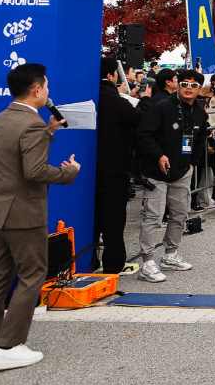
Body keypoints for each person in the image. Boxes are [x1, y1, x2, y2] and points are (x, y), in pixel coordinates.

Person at [0, 63, 79, 371]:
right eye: (46, 87)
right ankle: (8, 346)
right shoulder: (30, 124)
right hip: (23, 212)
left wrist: (48, 133)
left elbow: (14, 157)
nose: (47, 92)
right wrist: (69, 173)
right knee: (32, 274)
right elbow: (34, 171)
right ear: (37, 90)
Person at [134, 68, 208, 283]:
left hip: (183, 171)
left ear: (200, 89)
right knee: (154, 217)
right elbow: (143, 134)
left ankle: (170, 255)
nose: (188, 88)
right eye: (184, 83)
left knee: (180, 214)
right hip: (156, 172)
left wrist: (193, 163)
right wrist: (158, 155)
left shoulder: (201, 112)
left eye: (194, 85)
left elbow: (201, 139)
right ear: (177, 85)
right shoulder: (163, 107)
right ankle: (147, 262)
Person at [94, 58, 142, 275]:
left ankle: (88, 262)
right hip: (115, 170)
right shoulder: (118, 102)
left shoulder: (85, 99)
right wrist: (146, 101)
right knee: (113, 221)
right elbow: (138, 119)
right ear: (113, 75)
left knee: (92, 219)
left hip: (83, 171)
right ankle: (113, 265)